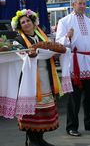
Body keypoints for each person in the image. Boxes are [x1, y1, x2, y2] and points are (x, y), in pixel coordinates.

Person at [56, 0, 90, 137]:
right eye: (79, 3)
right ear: (73, 5)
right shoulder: (64, 21)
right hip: (74, 63)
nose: (82, 6)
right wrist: (68, 37)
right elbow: (59, 43)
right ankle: (71, 126)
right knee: (74, 97)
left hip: (89, 62)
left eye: (84, 4)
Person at [11, 9, 60, 146]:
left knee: (43, 110)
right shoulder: (18, 41)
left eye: (28, 21)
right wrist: (30, 55)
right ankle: (32, 140)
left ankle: (40, 138)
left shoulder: (43, 38)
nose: (26, 24)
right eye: (23, 22)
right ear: (20, 26)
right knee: (31, 111)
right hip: (29, 81)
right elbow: (21, 56)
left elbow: (50, 51)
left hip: (45, 78)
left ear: (33, 23)